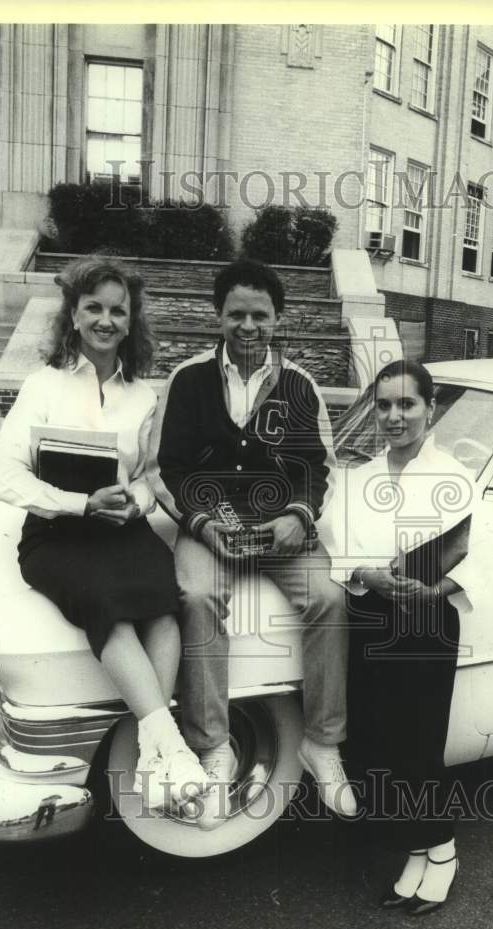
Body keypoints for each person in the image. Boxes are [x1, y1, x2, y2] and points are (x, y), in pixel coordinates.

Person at [0, 258, 209, 812]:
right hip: (57, 534)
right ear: (73, 314)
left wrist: (131, 504)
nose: (106, 320)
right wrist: (78, 503)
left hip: (119, 529)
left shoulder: (143, 394)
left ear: (132, 322)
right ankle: (170, 747)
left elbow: (150, 475)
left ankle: (152, 750)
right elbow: (6, 476)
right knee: (106, 599)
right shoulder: (43, 385)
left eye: (118, 310)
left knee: (163, 597)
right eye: (94, 307)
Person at [147, 257, 356, 831]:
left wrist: (298, 514)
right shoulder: (187, 380)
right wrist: (201, 524)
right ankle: (213, 749)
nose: (247, 326)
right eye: (236, 313)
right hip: (207, 528)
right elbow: (166, 467)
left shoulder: (299, 383)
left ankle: (321, 744)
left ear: (277, 318)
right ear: (218, 316)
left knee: (330, 600)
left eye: (259, 315)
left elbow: (320, 466)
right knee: (195, 598)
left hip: (281, 530)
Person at [329, 359, 475, 916]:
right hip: (370, 617)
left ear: (429, 408)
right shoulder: (359, 477)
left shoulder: (454, 477)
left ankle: (443, 849)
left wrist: (433, 591)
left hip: (426, 622)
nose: (394, 416)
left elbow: (471, 552)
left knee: (418, 740)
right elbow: (338, 547)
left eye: (406, 404)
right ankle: (415, 848)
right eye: (384, 405)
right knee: (376, 742)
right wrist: (366, 573)